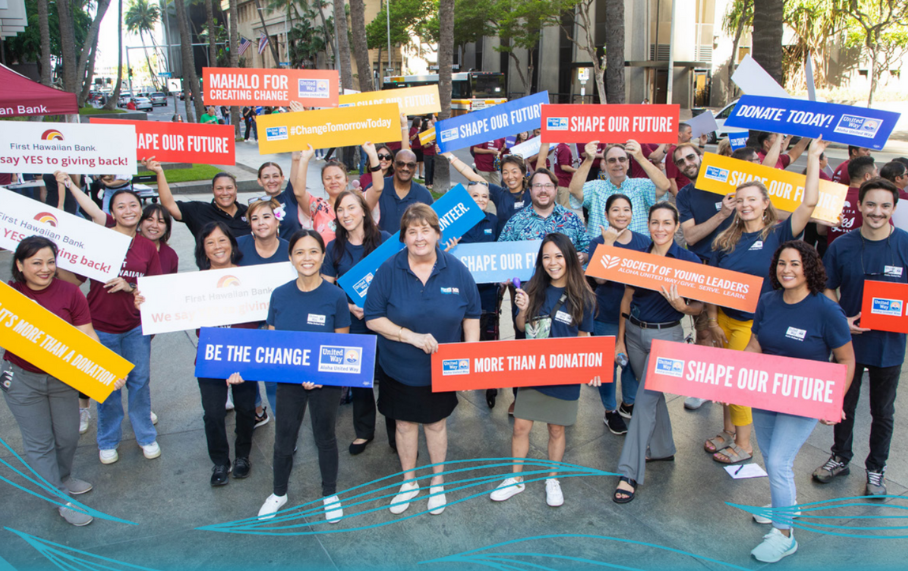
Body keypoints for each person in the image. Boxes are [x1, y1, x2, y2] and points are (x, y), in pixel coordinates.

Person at [704, 138, 823, 466]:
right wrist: (712, 321)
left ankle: (744, 444)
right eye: (740, 200)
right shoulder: (726, 238)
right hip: (724, 320)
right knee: (723, 380)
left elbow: (809, 204)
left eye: (752, 200)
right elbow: (713, 283)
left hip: (752, 324)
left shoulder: (778, 235)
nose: (745, 205)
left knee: (738, 381)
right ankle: (728, 432)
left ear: (765, 203)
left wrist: (812, 157)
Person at [364, 204, 481, 516]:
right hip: (399, 368)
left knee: (435, 423)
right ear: (403, 238)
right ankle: (409, 481)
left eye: (425, 230)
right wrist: (410, 336)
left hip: (442, 370)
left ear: (438, 235)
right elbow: (373, 318)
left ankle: (437, 482)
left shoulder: (457, 269)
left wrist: (469, 359)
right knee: (403, 424)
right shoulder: (389, 270)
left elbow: (471, 316)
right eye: (412, 231)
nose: (419, 237)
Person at [2, 237, 126, 526]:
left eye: (50, 262)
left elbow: (87, 335)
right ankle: (59, 497)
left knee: (68, 435)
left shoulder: (70, 293)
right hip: (22, 380)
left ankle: (63, 477)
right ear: (20, 265)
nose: (45, 269)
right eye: (36, 263)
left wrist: (106, 370)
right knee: (39, 442)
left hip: (62, 378)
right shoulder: (9, 295)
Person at [744, 241, 854, 563]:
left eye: (794, 264)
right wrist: (736, 374)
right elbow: (754, 345)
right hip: (765, 392)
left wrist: (832, 402)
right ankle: (784, 504)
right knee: (772, 457)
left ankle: (784, 534)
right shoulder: (767, 301)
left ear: (808, 268)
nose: (786, 270)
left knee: (779, 461)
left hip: (803, 397)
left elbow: (846, 359)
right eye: (781, 264)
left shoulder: (826, 309)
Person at [135, 222, 259, 485]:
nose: (218, 247)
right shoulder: (194, 284)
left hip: (245, 355)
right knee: (213, 413)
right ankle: (220, 462)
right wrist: (145, 301)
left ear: (231, 244)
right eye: (210, 242)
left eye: (222, 240)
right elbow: (168, 308)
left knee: (247, 409)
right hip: (211, 356)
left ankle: (243, 456)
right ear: (203, 249)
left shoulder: (252, 278)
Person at [56, 169, 163, 465]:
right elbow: (74, 279)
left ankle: (145, 436)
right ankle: (107, 440)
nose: (128, 210)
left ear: (140, 210)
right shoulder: (101, 240)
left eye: (133, 205)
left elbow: (155, 287)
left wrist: (131, 287)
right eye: (121, 206)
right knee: (106, 385)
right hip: (99, 326)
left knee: (139, 382)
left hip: (134, 327)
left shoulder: (146, 247)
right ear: (111, 212)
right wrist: (49, 265)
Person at [812, 178, 908, 496]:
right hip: (848, 342)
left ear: (894, 208)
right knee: (844, 404)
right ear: (860, 205)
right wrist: (842, 319)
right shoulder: (842, 245)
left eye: (884, 206)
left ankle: (876, 469)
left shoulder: (905, 244)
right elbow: (826, 286)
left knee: (883, 411)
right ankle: (840, 457)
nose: (876, 212)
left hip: (889, 345)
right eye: (870, 204)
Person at [489, 234, 600, 507]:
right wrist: (523, 309)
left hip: (564, 374)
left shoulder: (584, 295)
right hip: (532, 371)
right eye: (547, 257)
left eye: (558, 256)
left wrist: (592, 367)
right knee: (520, 427)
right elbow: (519, 327)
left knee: (556, 431)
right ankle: (515, 479)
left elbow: (585, 336)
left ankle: (552, 478)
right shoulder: (532, 287)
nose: (552, 263)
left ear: (569, 258)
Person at [257, 230, 351, 523]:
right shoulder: (280, 295)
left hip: (326, 383)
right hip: (289, 382)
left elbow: (341, 346)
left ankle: (330, 493)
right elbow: (273, 344)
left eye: (313, 251)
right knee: (283, 439)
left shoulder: (335, 297)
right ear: (290, 257)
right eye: (299, 252)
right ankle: (278, 493)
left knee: (325, 437)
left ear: (323, 256)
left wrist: (321, 374)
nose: (306, 258)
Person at [612, 203, 703, 504]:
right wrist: (621, 341)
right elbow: (626, 299)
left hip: (668, 337)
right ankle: (663, 448)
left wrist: (683, 308)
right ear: (648, 224)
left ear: (677, 226)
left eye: (667, 223)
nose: (660, 229)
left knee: (644, 399)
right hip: (635, 334)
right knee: (652, 395)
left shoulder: (689, 259)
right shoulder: (638, 258)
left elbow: (700, 307)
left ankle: (629, 472)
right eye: (655, 222)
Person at [322, 190, 394, 454]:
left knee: (389, 380)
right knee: (360, 382)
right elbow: (327, 289)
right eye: (340, 210)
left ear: (364, 210)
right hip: (354, 325)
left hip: (385, 323)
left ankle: (396, 434)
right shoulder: (334, 248)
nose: (346, 214)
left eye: (351, 208)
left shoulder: (384, 241)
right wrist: (349, 306)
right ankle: (364, 431)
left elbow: (400, 279)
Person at [673, 143, 736, 410]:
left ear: (700, 156)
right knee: (703, 332)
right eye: (680, 162)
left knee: (738, 330)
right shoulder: (685, 196)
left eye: (690, 157)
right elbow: (690, 236)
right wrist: (722, 214)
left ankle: (732, 386)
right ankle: (701, 387)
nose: (687, 163)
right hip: (702, 268)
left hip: (735, 267)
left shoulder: (730, 182)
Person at [587, 194, 651, 434]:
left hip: (637, 316)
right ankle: (610, 410)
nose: (621, 214)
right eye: (616, 210)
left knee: (633, 365)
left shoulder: (644, 242)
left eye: (626, 209)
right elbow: (600, 278)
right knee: (608, 367)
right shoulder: (597, 243)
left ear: (633, 214)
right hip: (607, 314)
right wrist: (609, 244)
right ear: (606, 215)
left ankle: (628, 404)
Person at [236, 198, 291, 426]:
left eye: (266, 217)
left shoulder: (290, 249)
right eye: (255, 218)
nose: (260, 223)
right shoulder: (237, 246)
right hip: (244, 322)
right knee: (244, 375)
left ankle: (284, 427)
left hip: (277, 324)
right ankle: (256, 410)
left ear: (277, 220)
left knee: (274, 380)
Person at [455, 181, 501, 408]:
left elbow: (502, 251)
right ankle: (459, 376)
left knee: (487, 334)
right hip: (458, 290)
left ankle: (490, 382)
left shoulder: (493, 221)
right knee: (458, 333)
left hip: (487, 291)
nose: (481, 200)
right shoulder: (453, 222)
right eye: (475, 196)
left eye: (484, 196)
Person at [570, 141, 671, 239]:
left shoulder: (641, 185)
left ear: (627, 163)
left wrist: (640, 158)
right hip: (602, 251)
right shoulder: (594, 187)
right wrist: (588, 160)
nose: (617, 163)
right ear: (605, 164)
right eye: (612, 160)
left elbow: (664, 185)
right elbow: (574, 190)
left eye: (622, 159)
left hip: (636, 252)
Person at [289, 143, 384, 243]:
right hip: (327, 258)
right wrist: (304, 160)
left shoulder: (359, 202)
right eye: (328, 178)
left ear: (346, 180)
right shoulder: (317, 206)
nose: (333, 181)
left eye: (338, 177)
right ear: (323, 183)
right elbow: (299, 192)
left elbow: (378, 188)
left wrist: (373, 155)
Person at [445, 151, 547, 236]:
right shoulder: (499, 194)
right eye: (505, 172)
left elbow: (541, 165)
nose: (510, 176)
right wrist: (449, 156)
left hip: (526, 249)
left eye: (514, 171)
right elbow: (471, 175)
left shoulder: (532, 193)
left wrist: (546, 141)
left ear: (523, 173)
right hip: (503, 249)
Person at [499, 168, 590, 259]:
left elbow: (587, 248)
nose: (543, 190)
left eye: (548, 185)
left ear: (556, 189)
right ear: (530, 190)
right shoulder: (516, 222)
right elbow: (501, 253)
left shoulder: (571, 218)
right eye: (538, 186)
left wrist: (582, 257)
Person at [155, 167, 251, 240]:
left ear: (236, 189)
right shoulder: (198, 211)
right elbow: (169, 205)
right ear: (213, 190)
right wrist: (159, 172)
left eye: (229, 188)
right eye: (219, 188)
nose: (225, 193)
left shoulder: (248, 212)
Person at [374, 149, 434, 234]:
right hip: (379, 246)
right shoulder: (377, 189)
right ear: (394, 165)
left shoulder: (425, 196)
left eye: (410, 165)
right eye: (400, 164)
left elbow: (432, 228)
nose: (405, 168)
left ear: (415, 168)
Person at [826, 156, 879, 246]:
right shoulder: (872, 199)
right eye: (876, 172)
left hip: (833, 252)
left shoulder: (833, 195)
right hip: (859, 254)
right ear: (867, 176)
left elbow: (821, 230)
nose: (878, 176)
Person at [664, 123, 708, 196]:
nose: (691, 135)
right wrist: (679, 199)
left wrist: (701, 145)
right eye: (689, 133)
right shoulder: (672, 152)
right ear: (680, 134)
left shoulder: (687, 148)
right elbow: (671, 180)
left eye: (690, 157)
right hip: (684, 194)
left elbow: (699, 162)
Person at [139, 203, 179, 275]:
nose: (154, 225)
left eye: (161, 222)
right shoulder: (127, 245)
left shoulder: (170, 255)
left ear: (167, 228)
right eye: (150, 219)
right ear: (140, 222)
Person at [553, 143, 577, 210]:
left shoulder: (560, 146)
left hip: (559, 181)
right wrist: (577, 170)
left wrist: (573, 161)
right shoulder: (565, 148)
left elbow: (562, 161)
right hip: (564, 182)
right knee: (565, 209)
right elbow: (564, 166)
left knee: (559, 208)